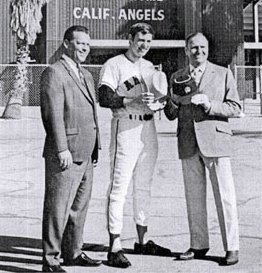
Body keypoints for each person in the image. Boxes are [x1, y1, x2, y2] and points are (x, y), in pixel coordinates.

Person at [164, 32, 241, 266]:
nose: (199, 51)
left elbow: (235, 107)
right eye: (194, 48)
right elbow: (169, 113)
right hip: (188, 142)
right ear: (187, 50)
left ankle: (232, 248)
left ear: (208, 49)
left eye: (203, 47)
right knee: (193, 198)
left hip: (216, 141)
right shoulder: (177, 76)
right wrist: (174, 103)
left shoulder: (223, 73)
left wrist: (211, 105)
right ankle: (198, 245)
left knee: (225, 197)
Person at [99, 23, 170, 269]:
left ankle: (142, 240)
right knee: (119, 187)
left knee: (144, 187)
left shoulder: (149, 67)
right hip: (126, 126)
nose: (144, 45)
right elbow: (104, 97)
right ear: (130, 39)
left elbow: (161, 100)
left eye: (148, 41)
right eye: (140, 40)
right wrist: (132, 98)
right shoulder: (114, 64)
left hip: (148, 128)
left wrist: (158, 103)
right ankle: (115, 245)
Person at [40, 25, 101, 273]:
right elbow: (52, 115)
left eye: (87, 44)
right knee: (57, 208)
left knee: (78, 208)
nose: (84, 48)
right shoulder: (54, 72)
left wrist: (95, 148)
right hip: (65, 153)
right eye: (79, 43)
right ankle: (50, 260)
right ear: (66, 44)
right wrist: (61, 148)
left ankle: (73, 252)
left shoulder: (86, 74)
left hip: (87, 152)